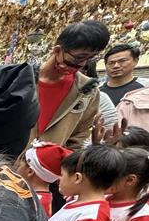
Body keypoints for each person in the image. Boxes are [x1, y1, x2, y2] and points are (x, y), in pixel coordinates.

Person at [32, 21, 111, 149]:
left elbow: (80, 136)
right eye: (79, 57)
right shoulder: (21, 80)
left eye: (90, 58)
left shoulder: (87, 91)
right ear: (57, 51)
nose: (82, 64)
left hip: (53, 160)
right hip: (8, 160)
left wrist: (62, 157)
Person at [20, 141, 72, 216]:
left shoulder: (32, 202)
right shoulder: (48, 199)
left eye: (21, 163)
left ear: (30, 171)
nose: (18, 166)